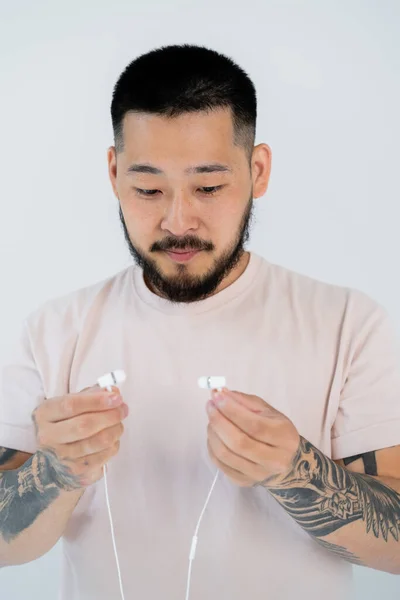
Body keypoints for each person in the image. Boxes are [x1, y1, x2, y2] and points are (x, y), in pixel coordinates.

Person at [0, 43, 400, 600]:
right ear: (114, 173)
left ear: (257, 171)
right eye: (147, 189)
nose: (177, 220)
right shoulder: (52, 330)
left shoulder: (349, 325)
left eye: (209, 187)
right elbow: (5, 545)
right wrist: (56, 472)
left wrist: (296, 470)